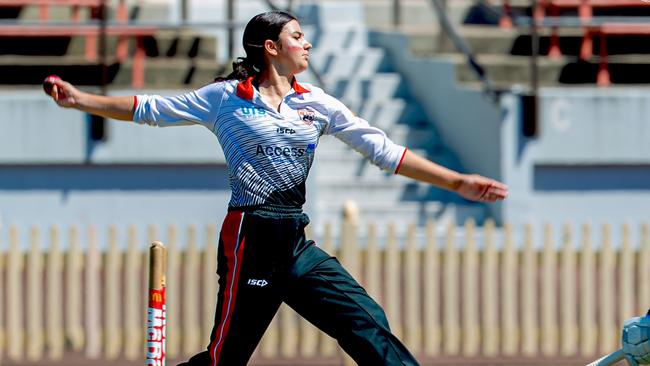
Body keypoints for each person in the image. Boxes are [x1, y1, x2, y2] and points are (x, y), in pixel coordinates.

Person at [44, 10, 508, 366]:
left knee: (367, 322)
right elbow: (148, 107)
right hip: (250, 235)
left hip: (295, 242)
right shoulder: (225, 98)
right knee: (225, 359)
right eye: (297, 37)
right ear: (270, 47)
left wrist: (458, 182)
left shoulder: (317, 103)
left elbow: (386, 152)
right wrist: (80, 99)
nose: (307, 43)